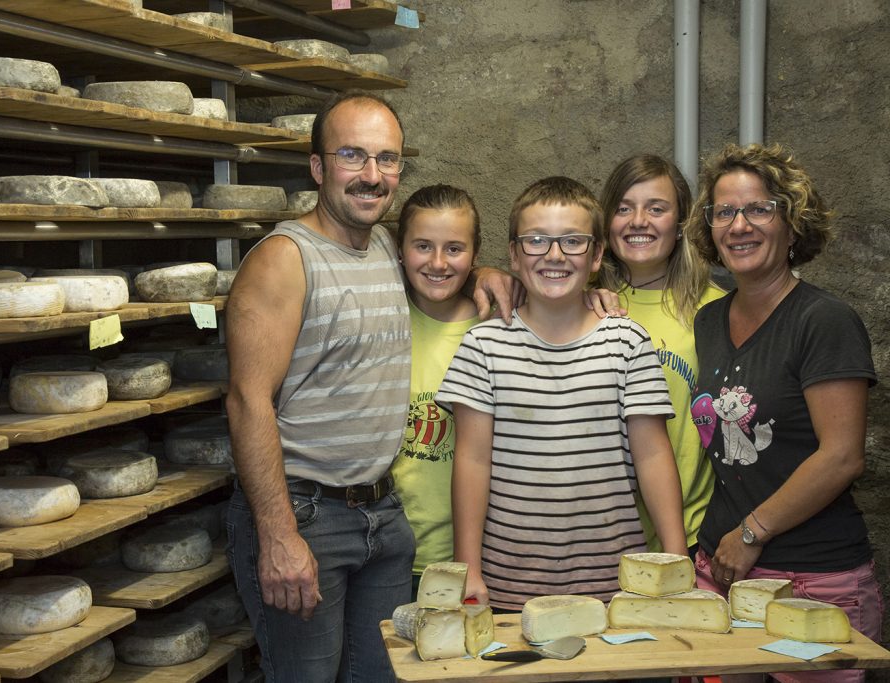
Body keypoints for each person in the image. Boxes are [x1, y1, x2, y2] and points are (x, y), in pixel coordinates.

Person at [224, 91, 513, 682]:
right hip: (305, 514)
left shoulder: (384, 245)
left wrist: (485, 272)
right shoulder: (285, 259)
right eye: (352, 156)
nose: (372, 175)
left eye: (387, 159)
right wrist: (278, 536)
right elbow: (247, 400)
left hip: (383, 515)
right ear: (318, 167)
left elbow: (441, 265)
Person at [439, 176, 687, 610]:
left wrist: (676, 557)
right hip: (506, 589)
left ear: (596, 257)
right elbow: (472, 461)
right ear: (514, 255)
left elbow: (652, 456)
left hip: (616, 589)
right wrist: (468, 568)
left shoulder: (627, 342)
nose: (554, 255)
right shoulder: (484, 346)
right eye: (536, 241)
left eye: (573, 241)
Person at [686, 143, 881, 683]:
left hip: (811, 578)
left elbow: (841, 457)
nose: (739, 224)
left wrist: (750, 534)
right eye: (724, 212)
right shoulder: (709, 320)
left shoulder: (824, 320)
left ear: (792, 225)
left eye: (759, 209)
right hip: (719, 570)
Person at [598, 155, 726, 555]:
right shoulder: (579, 302)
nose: (639, 221)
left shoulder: (716, 311)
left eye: (656, 208)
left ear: (683, 221)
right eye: (623, 208)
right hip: (599, 537)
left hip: (691, 533)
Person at [390, 184, 482, 592]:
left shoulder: (495, 328)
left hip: (474, 556)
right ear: (399, 249)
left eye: (455, 249)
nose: (439, 263)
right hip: (389, 550)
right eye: (423, 246)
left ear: (476, 254)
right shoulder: (384, 321)